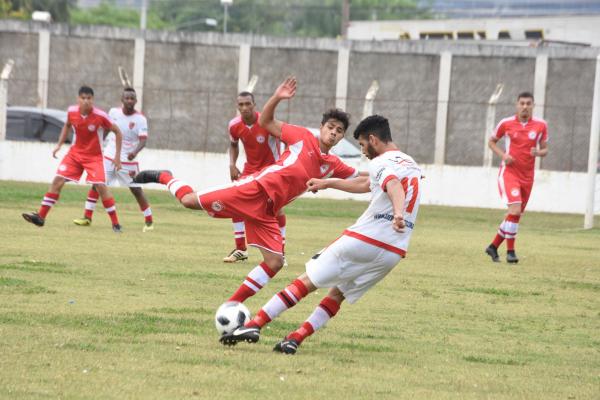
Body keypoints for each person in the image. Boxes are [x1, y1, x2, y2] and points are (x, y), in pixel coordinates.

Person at [132, 77, 358, 304]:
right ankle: (164, 176)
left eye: (339, 131)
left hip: (268, 211)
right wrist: (277, 97)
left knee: (275, 262)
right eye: (330, 127)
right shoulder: (303, 137)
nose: (334, 133)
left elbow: (362, 180)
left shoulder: (334, 165)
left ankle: (233, 304)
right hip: (254, 189)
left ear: (342, 136)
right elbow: (267, 121)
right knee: (189, 201)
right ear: (321, 128)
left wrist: (388, 172)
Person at [219, 114, 422, 354]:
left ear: (373, 139)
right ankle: (295, 338)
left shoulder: (379, 163)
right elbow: (366, 185)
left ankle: (254, 325)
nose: (363, 152)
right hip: (393, 251)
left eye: (362, 145)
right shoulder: (410, 163)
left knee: (307, 281)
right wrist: (328, 183)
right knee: (338, 293)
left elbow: (393, 186)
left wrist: (398, 212)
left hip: (364, 239)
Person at [22, 86, 124, 232]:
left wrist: (117, 158)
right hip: (75, 154)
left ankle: (115, 223)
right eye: (83, 98)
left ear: (92, 100)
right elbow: (67, 126)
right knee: (58, 180)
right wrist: (59, 145)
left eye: (89, 98)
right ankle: (40, 217)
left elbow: (118, 132)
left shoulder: (100, 116)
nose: (86, 101)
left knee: (101, 186)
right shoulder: (72, 112)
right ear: (78, 99)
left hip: (94, 157)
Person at [73, 87, 154, 232]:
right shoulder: (113, 112)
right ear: (122, 100)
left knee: (136, 190)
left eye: (132, 98)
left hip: (128, 161)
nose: (129, 100)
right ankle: (87, 217)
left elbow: (143, 141)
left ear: (135, 101)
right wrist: (98, 145)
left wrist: (134, 152)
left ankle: (149, 221)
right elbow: (106, 129)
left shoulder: (140, 119)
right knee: (97, 184)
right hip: (109, 155)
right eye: (127, 98)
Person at [485, 92, 549, 263]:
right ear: (517, 105)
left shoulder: (541, 125)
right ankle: (511, 252)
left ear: (533, 105)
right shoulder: (506, 123)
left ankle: (493, 246)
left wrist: (539, 152)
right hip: (509, 173)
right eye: (522, 103)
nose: (525, 106)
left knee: (515, 215)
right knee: (514, 210)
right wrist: (504, 155)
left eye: (528, 103)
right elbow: (491, 142)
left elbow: (545, 149)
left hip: (528, 176)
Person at [224, 91, 286, 263]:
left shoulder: (266, 122)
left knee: (275, 209)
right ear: (237, 106)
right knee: (234, 202)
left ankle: (281, 251)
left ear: (254, 105)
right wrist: (232, 164)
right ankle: (240, 249)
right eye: (241, 104)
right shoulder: (234, 125)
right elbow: (233, 144)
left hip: (272, 170)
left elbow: (286, 139)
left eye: (247, 104)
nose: (244, 108)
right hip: (250, 170)